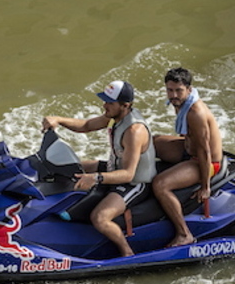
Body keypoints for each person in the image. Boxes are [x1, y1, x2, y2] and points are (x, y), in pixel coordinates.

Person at [42, 80, 156, 256]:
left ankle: (127, 253)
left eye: (109, 102)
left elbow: (128, 174)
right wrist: (58, 119)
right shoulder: (115, 116)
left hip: (135, 183)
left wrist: (95, 177)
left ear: (125, 105)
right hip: (114, 168)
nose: (104, 105)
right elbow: (87, 126)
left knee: (100, 217)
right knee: (74, 168)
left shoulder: (134, 132)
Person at [152, 67, 224, 247]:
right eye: (170, 90)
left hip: (206, 162)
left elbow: (205, 150)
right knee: (151, 142)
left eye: (178, 90)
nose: (173, 95)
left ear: (189, 90)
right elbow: (188, 136)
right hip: (189, 149)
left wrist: (205, 186)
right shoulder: (180, 103)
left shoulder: (195, 113)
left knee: (160, 185)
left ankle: (184, 234)